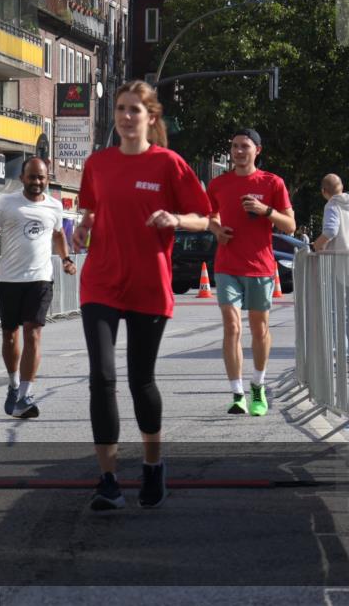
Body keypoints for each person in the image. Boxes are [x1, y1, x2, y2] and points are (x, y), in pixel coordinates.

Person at [71, 80, 211, 511]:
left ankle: (152, 465)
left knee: (140, 380)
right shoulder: (98, 163)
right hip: (101, 281)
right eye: (120, 109)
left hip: (148, 281)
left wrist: (176, 219)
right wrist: (84, 226)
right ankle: (108, 479)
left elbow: (206, 219)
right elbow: (90, 209)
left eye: (135, 109)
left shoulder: (169, 164)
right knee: (102, 378)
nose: (126, 117)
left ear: (152, 117)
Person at [0, 157, 75, 420]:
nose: (37, 182)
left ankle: (26, 394)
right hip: (9, 280)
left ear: (47, 179)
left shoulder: (54, 205)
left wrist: (65, 258)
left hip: (40, 279)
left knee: (33, 333)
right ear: (22, 178)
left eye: (41, 177)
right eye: (32, 177)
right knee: (10, 336)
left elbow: (59, 235)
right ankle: (14, 384)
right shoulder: (6, 203)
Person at [207, 129, 296, 417]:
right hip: (227, 265)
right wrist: (217, 229)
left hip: (259, 265)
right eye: (234, 146)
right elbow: (209, 216)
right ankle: (237, 393)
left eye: (245, 146)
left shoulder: (272, 183)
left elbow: (290, 226)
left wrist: (265, 210)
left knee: (259, 329)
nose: (238, 151)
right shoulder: (219, 183)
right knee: (232, 327)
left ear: (257, 150)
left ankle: (258, 384)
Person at [314, 174, 349, 287]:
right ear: (342, 187)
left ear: (323, 191)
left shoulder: (332, 205)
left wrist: (317, 245)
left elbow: (331, 231)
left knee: (336, 303)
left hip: (340, 267)